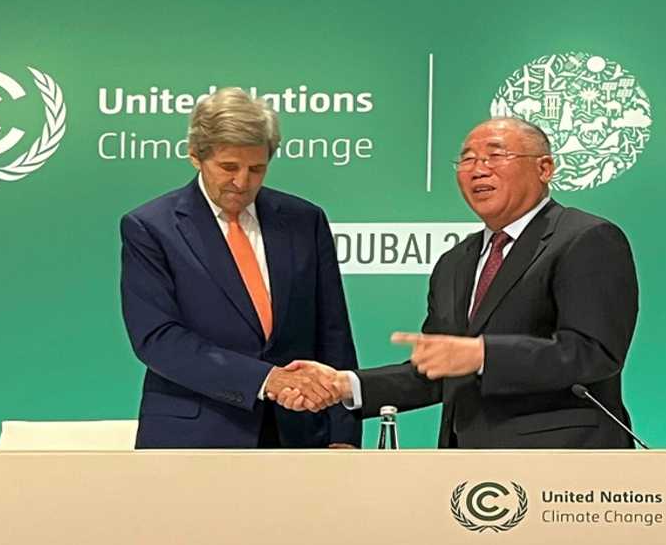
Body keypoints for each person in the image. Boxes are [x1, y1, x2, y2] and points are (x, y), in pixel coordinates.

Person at [279, 117, 639, 448]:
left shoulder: (585, 239)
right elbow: (438, 372)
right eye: (467, 160)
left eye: (496, 156)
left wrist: (483, 354)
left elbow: (593, 352)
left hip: (563, 462)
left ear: (544, 168)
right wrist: (344, 384)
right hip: (465, 468)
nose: (478, 170)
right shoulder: (455, 262)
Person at [120, 87, 355, 448]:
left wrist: (343, 433)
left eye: (256, 169)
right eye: (228, 167)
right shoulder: (152, 227)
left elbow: (333, 333)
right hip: (193, 439)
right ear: (196, 156)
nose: (242, 182)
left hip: (298, 436)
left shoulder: (304, 220)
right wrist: (265, 379)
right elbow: (159, 339)